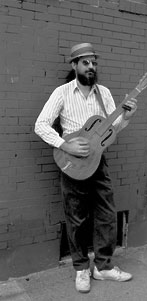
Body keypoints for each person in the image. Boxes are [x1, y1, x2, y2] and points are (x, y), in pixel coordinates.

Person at [35, 43, 137, 293]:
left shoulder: (104, 93)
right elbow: (41, 125)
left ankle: (102, 267)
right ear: (74, 65)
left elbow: (113, 129)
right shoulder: (62, 92)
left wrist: (128, 116)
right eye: (85, 62)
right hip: (72, 163)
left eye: (93, 62)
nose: (91, 67)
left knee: (106, 214)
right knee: (76, 217)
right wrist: (65, 145)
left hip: (98, 160)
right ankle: (81, 268)